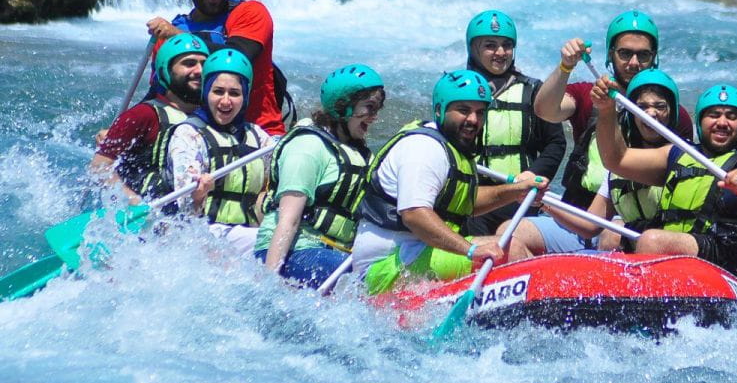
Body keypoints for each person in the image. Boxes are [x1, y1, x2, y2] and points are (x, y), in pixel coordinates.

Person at [592, 80, 737, 286]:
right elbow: (616, 159)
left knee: (653, 240)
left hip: (732, 258)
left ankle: (648, 304)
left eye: (732, 116)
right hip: (690, 248)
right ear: (700, 122)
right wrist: (606, 110)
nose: (722, 123)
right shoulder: (679, 154)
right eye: (714, 115)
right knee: (612, 235)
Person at [351, 69, 549, 295]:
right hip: (385, 268)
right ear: (439, 110)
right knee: (511, 249)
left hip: (418, 252)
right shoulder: (424, 149)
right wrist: (471, 249)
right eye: (463, 110)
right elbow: (415, 215)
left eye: (480, 112)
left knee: (518, 244)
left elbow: (465, 201)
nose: (473, 120)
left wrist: (516, 192)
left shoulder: (453, 147)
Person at [524, 9, 693, 254]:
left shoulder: (672, 114)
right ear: (611, 54)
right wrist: (565, 66)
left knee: (612, 234)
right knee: (515, 232)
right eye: (625, 53)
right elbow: (545, 111)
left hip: (629, 222)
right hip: (582, 215)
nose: (634, 63)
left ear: (654, 57)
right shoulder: (588, 94)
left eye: (643, 55)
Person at [508, 69, 682, 259]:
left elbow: (618, 158)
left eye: (660, 106)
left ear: (672, 112)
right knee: (509, 232)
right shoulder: (618, 170)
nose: (651, 114)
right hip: (634, 250)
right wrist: (543, 200)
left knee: (614, 233)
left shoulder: (681, 157)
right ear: (631, 113)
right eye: (642, 107)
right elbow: (590, 226)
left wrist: (606, 110)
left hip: (668, 249)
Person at [256, 64, 385, 288]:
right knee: (362, 286)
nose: (374, 117)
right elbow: (289, 219)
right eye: (369, 108)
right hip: (295, 251)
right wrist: (270, 283)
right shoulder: (307, 146)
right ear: (342, 107)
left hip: (334, 252)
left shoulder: (360, 154)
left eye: (377, 109)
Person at [145, 0, 287, 136]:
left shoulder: (252, 13)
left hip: (259, 136)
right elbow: (158, 94)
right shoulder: (170, 32)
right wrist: (124, 128)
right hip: (197, 140)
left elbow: (238, 57)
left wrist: (177, 36)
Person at [159, 48, 273, 256]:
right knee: (272, 244)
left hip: (246, 232)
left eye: (235, 93)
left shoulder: (257, 136)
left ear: (245, 96)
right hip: (202, 233)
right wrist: (198, 194)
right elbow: (185, 206)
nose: (226, 101)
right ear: (206, 92)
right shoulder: (189, 134)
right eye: (218, 91)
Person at [461, 9, 566, 235]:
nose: (500, 52)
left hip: (519, 197)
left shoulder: (534, 91)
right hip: (474, 198)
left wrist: (534, 174)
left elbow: (555, 143)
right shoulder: (458, 92)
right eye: (490, 45)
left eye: (507, 45)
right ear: (473, 49)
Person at [89, 34, 210, 204]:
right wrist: (133, 202)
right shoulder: (143, 115)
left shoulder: (213, 117)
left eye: (204, 64)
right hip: (147, 212)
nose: (199, 71)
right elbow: (99, 167)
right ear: (166, 71)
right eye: (189, 63)